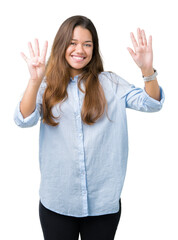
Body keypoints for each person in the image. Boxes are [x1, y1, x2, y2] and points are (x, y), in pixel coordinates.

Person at [13, 15, 165, 240]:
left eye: (87, 44)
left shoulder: (111, 83)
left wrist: (147, 70)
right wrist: (35, 81)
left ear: (94, 49)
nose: (80, 50)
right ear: (62, 45)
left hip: (103, 204)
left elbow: (151, 103)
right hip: (58, 203)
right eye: (73, 43)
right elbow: (23, 119)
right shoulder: (47, 86)